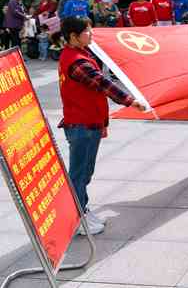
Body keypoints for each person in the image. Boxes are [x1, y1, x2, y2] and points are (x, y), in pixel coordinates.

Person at [57, 16, 146, 234]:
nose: (92, 34)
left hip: (88, 123)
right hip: (82, 125)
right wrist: (130, 101)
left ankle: (83, 210)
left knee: (85, 172)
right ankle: (76, 220)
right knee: (79, 175)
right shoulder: (77, 62)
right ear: (73, 36)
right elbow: (102, 83)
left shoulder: (80, 54)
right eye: (87, 31)